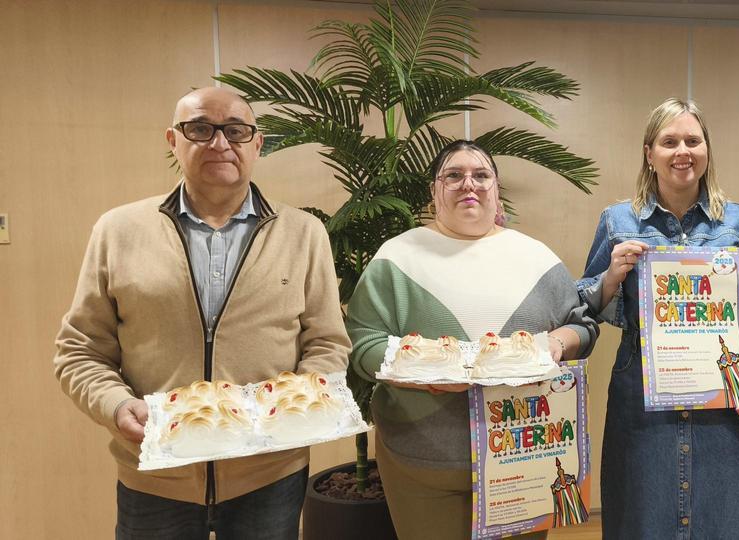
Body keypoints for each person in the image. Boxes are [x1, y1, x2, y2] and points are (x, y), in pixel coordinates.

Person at [52, 86, 351, 539]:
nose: (219, 143)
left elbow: (327, 344)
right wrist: (116, 406)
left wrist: (295, 406)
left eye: (235, 130)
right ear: (173, 140)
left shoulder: (304, 234)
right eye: (200, 128)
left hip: (269, 473)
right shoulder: (119, 230)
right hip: (155, 475)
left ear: (257, 143)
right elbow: (79, 350)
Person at [346, 140, 598, 539]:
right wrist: (418, 371)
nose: (469, 184)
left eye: (481, 175)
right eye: (454, 175)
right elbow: (363, 343)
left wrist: (559, 342)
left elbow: (583, 325)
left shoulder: (535, 257)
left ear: (496, 189)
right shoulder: (397, 258)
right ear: (434, 190)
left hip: (524, 457)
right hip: (422, 459)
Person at [577, 98, 739, 538]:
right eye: (669, 141)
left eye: (693, 140)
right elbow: (586, 304)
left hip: (725, 388)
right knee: (644, 514)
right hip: (641, 387)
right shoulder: (618, 220)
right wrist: (613, 275)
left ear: (707, 149)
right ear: (648, 152)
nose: (683, 151)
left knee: (728, 516)